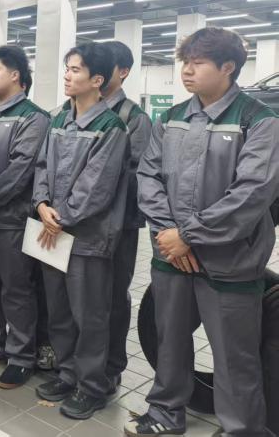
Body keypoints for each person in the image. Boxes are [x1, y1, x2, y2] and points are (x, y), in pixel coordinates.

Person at [126, 27, 279, 437]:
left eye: (198, 63)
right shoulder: (172, 117)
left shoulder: (258, 121)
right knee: (170, 340)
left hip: (230, 261)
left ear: (228, 67)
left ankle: (242, 429)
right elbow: (148, 176)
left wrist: (189, 236)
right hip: (172, 256)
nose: (187, 71)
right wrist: (168, 233)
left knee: (233, 354)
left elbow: (252, 193)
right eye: (185, 63)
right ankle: (165, 413)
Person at [32, 42, 129, 420]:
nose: (67, 76)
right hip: (51, 232)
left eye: (75, 70)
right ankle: (68, 373)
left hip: (87, 238)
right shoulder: (60, 120)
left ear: (97, 80)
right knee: (58, 310)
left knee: (89, 316)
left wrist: (60, 218)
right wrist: (41, 204)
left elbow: (97, 187)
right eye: (67, 68)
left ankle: (91, 386)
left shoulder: (111, 127)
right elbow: (42, 166)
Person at [0, 46, 50, 390]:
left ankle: (21, 356)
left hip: (11, 219)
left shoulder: (33, 118)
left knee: (16, 289)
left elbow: (21, 169)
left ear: (15, 75)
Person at [98, 41, 152, 394]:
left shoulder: (134, 118)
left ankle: (111, 366)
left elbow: (136, 176)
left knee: (114, 296)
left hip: (119, 224)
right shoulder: (71, 111)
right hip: (77, 223)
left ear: (123, 72)